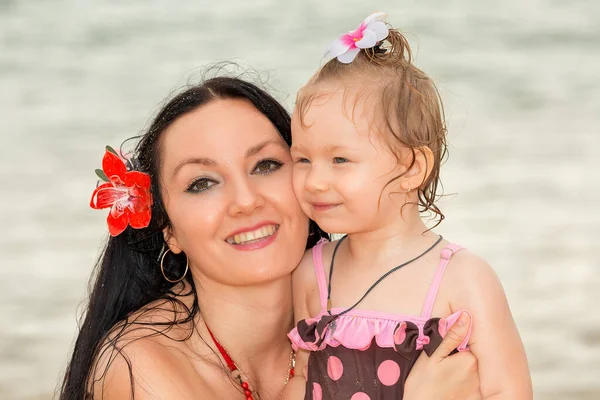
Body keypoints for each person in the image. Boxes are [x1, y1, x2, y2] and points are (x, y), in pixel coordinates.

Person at [59, 73, 482, 400]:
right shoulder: (142, 365)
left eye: (265, 165)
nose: (245, 201)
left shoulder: (378, 321)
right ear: (169, 231)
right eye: (202, 183)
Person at [285, 12, 532, 400]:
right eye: (303, 159)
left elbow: (509, 391)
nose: (314, 181)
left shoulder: (462, 279)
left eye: (340, 160)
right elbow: (300, 380)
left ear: (412, 167)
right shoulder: (310, 272)